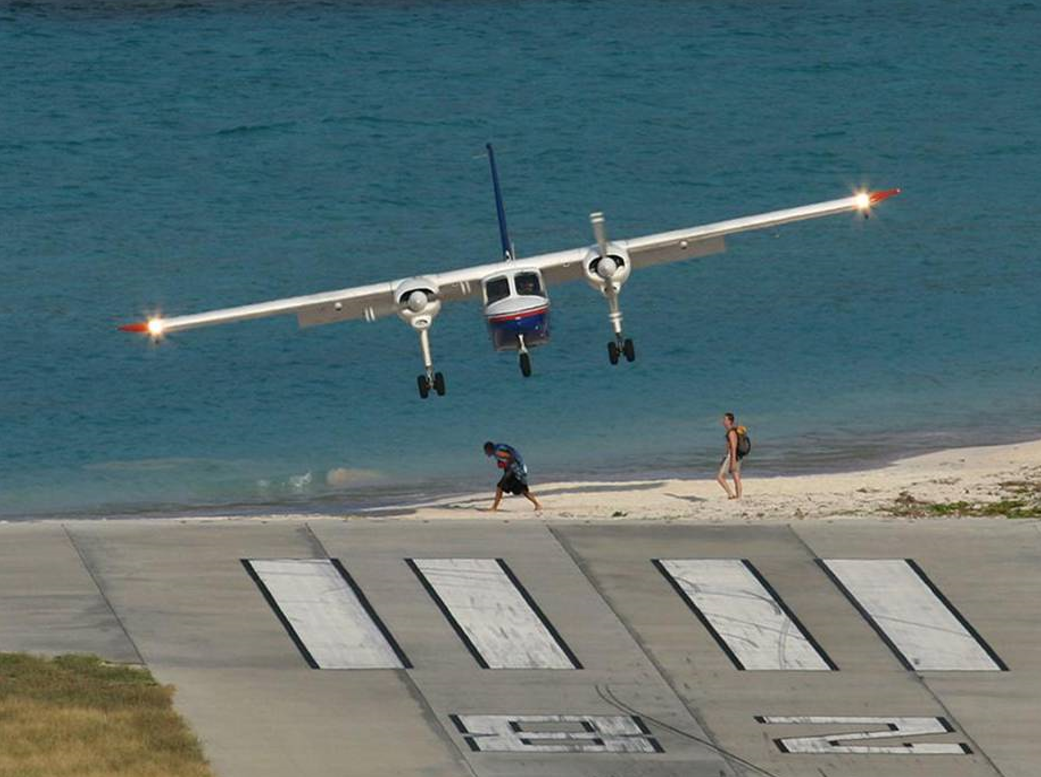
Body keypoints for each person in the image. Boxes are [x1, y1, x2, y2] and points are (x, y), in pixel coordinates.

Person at [484, 441, 542, 511]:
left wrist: (505, 464)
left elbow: (510, 457)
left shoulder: (497, 452)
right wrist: (502, 463)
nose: (486, 453)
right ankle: (537, 505)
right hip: (517, 470)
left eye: (486, 451)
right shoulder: (498, 449)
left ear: (489, 449)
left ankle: (494, 508)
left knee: (499, 487)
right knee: (523, 490)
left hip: (513, 471)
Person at [716, 412, 745, 500]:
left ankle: (731, 494)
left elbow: (733, 447)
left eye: (725, 419)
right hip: (736, 456)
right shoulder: (733, 431)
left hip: (732, 456)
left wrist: (732, 460)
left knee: (720, 477)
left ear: (730, 421)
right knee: (736, 476)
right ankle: (738, 496)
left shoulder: (731, 432)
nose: (723, 421)